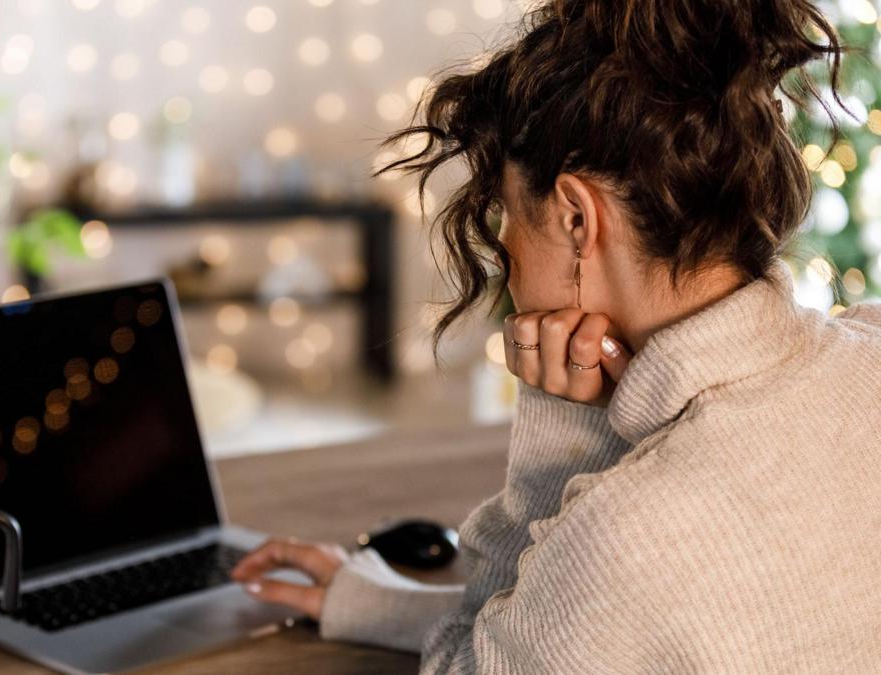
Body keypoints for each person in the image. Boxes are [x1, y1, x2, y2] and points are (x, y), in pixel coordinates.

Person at [230, 0, 881, 671]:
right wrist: (377, 601)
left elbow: (476, 656)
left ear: (576, 217)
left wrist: (563, 428)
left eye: (507, 212)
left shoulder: (631, 535)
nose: (506, 246)